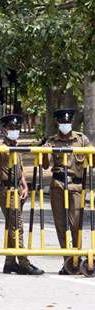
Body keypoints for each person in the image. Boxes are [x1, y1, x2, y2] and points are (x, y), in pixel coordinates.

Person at [0, 114, 44, 275]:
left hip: (17, 189)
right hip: (7, 191)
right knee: (17, 227)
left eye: (17, 128)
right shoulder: (1, 146)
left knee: (12, 227)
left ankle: (10, 263)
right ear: (4, 130)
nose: (15, 131)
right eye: (11, 128)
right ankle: (24, 263)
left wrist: (25, 186)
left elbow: (19, 171)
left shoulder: (16, 146)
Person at [42, 109, 91, 275]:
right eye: (62, 122)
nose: (65, 125)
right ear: (57, 123)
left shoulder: (81, 139)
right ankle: (67, 262)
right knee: (61, 226)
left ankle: (77, 260)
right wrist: (44, 151)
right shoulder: (52, 141)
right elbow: (45, 166)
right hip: (57, 185)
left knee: (76, 224)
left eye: (68, 122)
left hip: (76, 187)